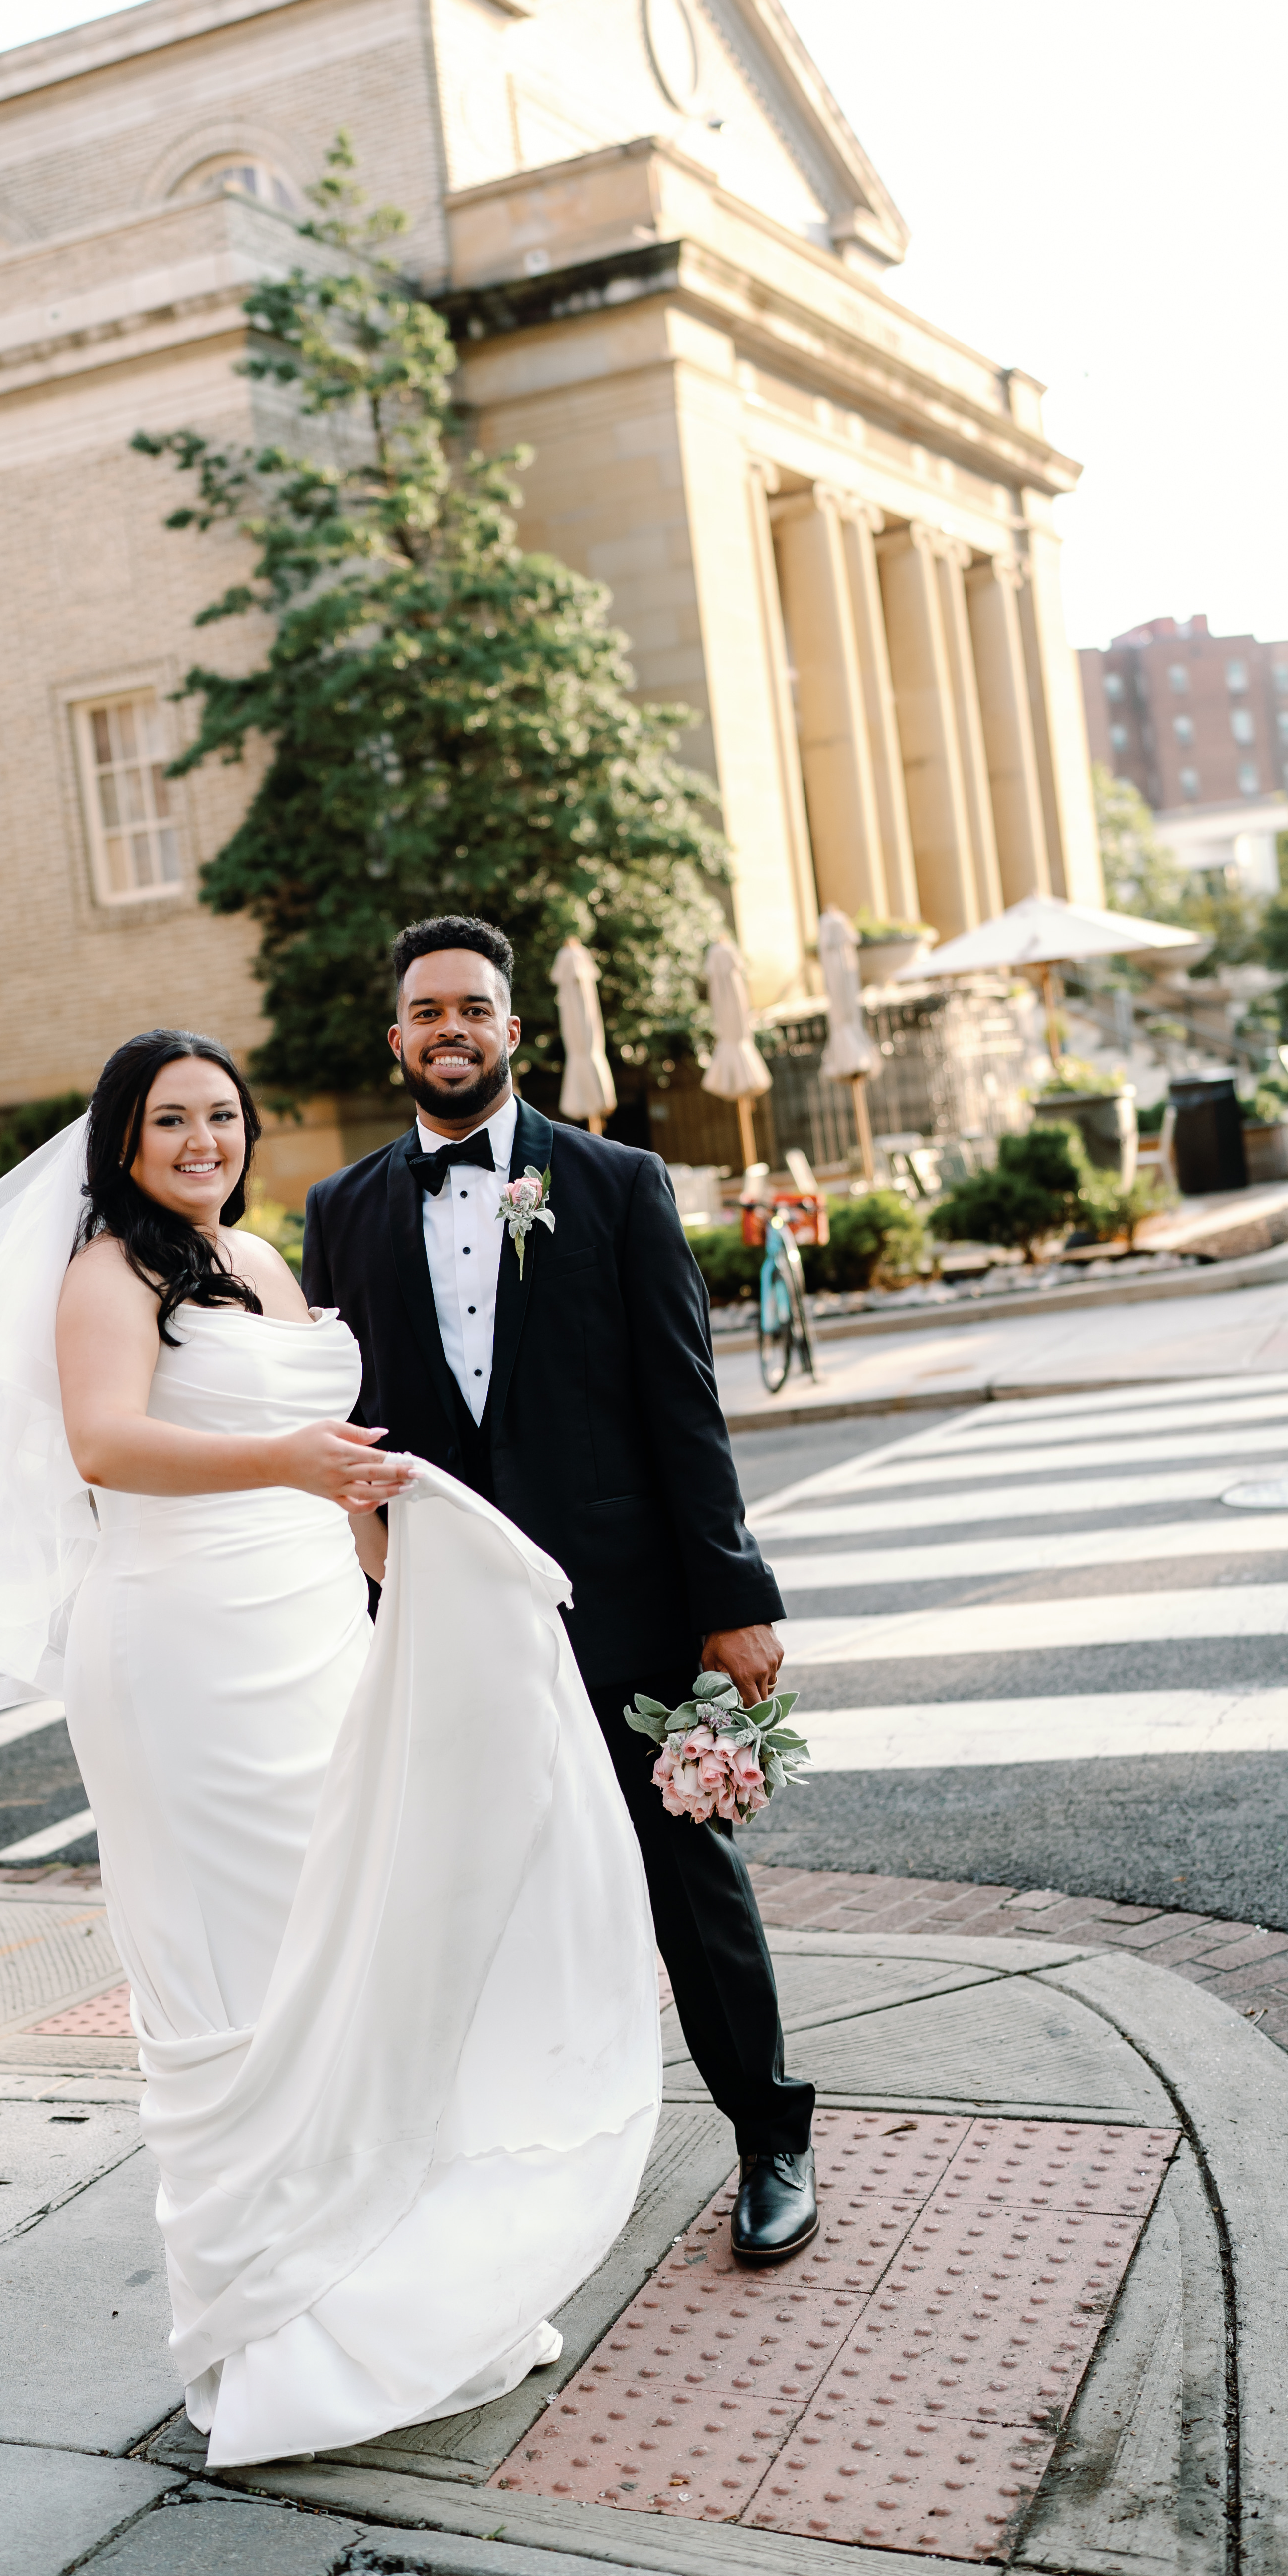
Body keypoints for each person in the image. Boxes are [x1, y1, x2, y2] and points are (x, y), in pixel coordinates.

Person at [0, 1029, 660, 2472]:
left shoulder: (265, 1265)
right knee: (244, 1966)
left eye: (222, 1115)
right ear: (124, 1141)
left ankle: (382, 2292)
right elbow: (105, 1444)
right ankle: (275, 2331)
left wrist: (382, 1541)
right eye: (172, 1120)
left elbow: (315, 1432)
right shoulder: (107, 1274)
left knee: (350, 1937)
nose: (203, 1140)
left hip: (302, 1629)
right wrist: (291, 1464)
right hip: (179, 1653)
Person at [303, 915, 819, 2268]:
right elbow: (335, 1424)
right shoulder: (341, 1214)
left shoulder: (617, 1184)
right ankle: (507, 2155)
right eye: (427, 1011)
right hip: (445, 1623)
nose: (451, 1030)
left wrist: (733, 1592)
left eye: (474, 1007)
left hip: (624, 1605)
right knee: (470, 1885)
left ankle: (772, 2139)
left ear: (514, 1031)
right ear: (398, 1038)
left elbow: (683, 1409)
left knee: (681, 1875)